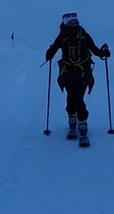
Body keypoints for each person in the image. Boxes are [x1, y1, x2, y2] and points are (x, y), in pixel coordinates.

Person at [45, 13, 110, 142]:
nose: (74, 25)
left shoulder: (84, 35)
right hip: (68, 72)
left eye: (75, 23)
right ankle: (77, 125)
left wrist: (103, 53)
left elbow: (95, 50)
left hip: (83, 71)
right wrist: (50, 53)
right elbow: (52, 52)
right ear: (65, 24)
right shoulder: (62, 37)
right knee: (72, 96)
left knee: (78, 97)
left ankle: (78, 125)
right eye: (71, 23)